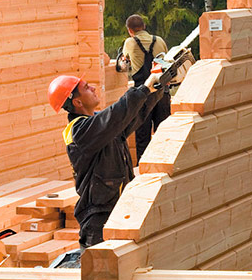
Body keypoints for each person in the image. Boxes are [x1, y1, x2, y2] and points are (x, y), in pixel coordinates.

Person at [48, 72, 165, 251]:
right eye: (86, 88)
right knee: (100, 276)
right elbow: (115, 115)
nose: (93, 88)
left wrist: (158, 88)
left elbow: (134, 114)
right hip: (98, 219)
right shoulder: (80, 131)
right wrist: (143, 88)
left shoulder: (99, 125)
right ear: (77, 102)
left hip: (119, 209)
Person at [120, 14, 172, 160]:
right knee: (163, 133)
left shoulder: (130, 42)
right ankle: (165, 163)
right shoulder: (159, 40)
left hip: (142, 94)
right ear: (144, 27)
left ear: (130, 30)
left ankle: (144, 168)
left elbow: (124, 65)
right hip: (162, 92)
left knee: (143, 136)